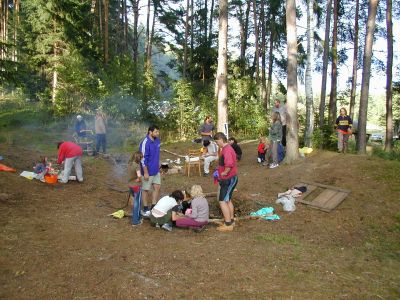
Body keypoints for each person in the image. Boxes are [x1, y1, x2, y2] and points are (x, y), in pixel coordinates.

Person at [214, 132, 238, 232]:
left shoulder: (227, 149)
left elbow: (229, 163)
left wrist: (224, 173)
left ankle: (228, 224)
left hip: (228, 179)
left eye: (216, 142)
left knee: (222, 201)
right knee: (227, 200)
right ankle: (231, 220)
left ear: (220, 139)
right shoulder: (226, 148)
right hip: (231, 178)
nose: (216, 143)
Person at [139, 125, 161, 217]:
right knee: (146, 190)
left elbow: (157, 153)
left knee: (157, 187)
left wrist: (158, 163)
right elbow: (143, 159)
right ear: (150, 132)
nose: (157, 133)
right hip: (147, 170)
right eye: (156, 132)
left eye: (158, 132)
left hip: (156, 169)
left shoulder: (157, 140)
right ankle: (145, 208)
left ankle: (153, 206)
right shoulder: (145, 143)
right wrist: (146, 172)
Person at [128, 151, 143, 226]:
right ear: (139, 158)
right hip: (136, 186)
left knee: (135, 202)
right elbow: (139, 176)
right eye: (141, 157)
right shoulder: (137, 166)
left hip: (130, 185)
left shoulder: (130, 164)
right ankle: (135, 221)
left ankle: (138, 217)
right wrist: (140, 179)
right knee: (137, 203)